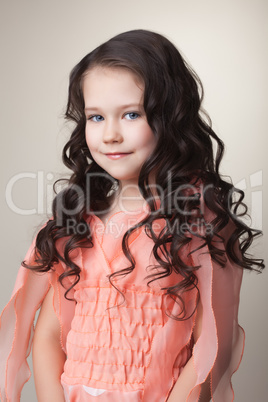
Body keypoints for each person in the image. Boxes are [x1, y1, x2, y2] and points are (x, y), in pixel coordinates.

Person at [0, 29, 264, 402]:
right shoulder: (77, 222)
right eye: (95, 117)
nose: (110, 135)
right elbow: (49, 333)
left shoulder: (196, 220)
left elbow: (214, 344)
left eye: (130, 114)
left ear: (171, 116)